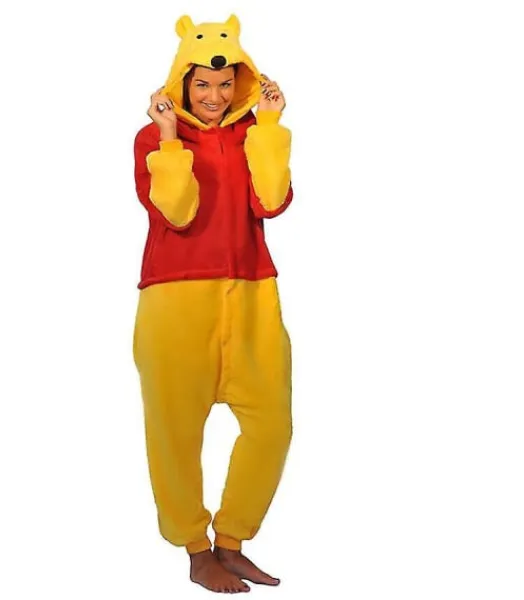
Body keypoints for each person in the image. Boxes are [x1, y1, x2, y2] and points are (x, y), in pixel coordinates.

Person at [132, 14, 293, 593]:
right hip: (175, 299)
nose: (214, 96)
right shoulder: (153, 139)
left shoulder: (254, 132)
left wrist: (269, 126)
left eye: (226, 84)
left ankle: (231, 541)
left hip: (251, 293)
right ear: (182, 82)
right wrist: (170, 138)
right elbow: (176, 211)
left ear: (242, 81)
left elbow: (271, 201)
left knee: (271, 425)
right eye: (202, 84)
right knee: (175, 431)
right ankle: (196, 549)